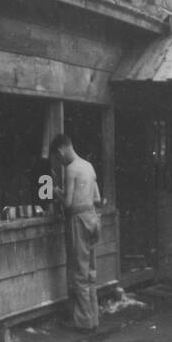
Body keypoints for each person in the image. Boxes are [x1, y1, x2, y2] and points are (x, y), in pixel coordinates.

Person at [51, 134, 103, 331]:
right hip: (93, 218)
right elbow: (97, 197)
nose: (60, 161)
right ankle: (93, 318)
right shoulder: (88, 166)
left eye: (58, 157)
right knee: (90, 271)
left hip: (79, 220)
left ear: (61, 151)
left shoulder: (71, 169)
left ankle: (84, 322)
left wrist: (56, 192)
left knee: (78, 272)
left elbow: (69, 204)